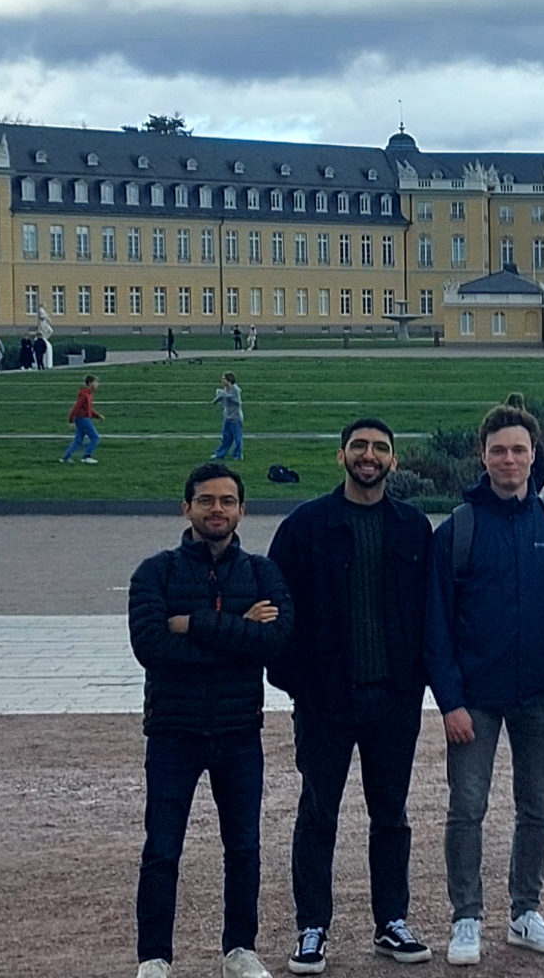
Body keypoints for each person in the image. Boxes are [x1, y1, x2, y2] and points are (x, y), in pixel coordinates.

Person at [266, 419, 437, 974]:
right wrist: (298, 681)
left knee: (392, 815)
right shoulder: (305, 527)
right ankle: (312, 926)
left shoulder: (413, 527)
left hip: (392, 699)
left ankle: (391, 920)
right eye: (360, 447)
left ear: (394, 459)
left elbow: (429, 612)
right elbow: (279, 611)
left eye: (380, 448)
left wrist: (414, 681)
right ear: (342, 455)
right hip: (326, 701)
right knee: (319, 813)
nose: (370, 456)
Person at [425, 404, 544, 966]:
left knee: (535, 808)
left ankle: (525, 911)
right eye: (499, 450)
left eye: (519, 450)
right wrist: (450, 701)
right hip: (476, 698)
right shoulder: (459, 530)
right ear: (483, 456)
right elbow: (436, 625)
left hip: (541, 693)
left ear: (534, 456)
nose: (509, 459)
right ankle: (466, 916)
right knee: (467, 808)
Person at [128, 463, 295, 978]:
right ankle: (154, 956)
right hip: (174, 732)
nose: (216, 510)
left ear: (242, 510)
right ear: (187, 508)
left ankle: (239, 949)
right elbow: (152, 648)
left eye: (227, 501)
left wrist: (194, 625)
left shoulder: (263, 572)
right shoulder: (154, 572)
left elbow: (274, 643)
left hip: (238, 731)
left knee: (243, 846)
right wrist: (234, 632)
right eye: (206, 501)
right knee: (162, 848)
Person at [62, 375, 103, 464]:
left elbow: (86, 409)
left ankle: (66, 457)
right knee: (95, 437)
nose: (97, 385)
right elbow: (76, 407)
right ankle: (86, 456)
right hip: (82, 419)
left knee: (78, 441)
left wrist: (96, 416)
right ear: (90, 383)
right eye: (95, 382)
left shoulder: (88, 394)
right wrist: (71, 420)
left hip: (82, 418)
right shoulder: (85, 395)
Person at [212, 372, 244, 461]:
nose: (222, 381)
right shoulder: (225, 390)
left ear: (229, 380)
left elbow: (238, 402)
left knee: (237, 438)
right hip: (227, 417)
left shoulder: (235, 390)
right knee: (226, 437)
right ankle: (220, 454)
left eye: (224, 379)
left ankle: (237, 455)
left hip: (235, 418)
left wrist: (227, 396)